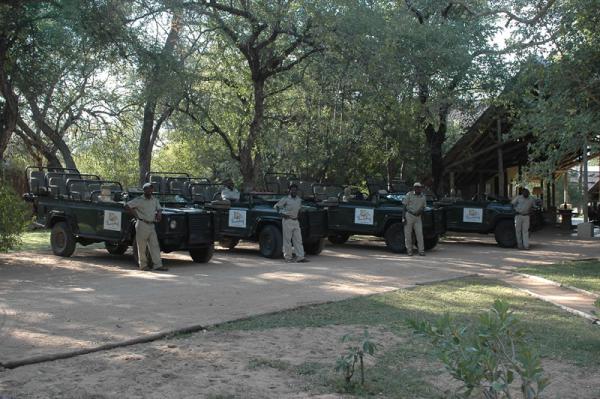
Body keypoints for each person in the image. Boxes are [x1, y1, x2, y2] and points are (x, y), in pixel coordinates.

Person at [125, 182, 167, 271]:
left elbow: (159, 208)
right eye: (148, 188)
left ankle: (158, 265)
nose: (150, 190)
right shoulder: (139, 200)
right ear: (144, 190)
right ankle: (143, 265)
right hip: (142, 224)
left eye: (151, 188)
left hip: (151, 224)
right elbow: (127, 205)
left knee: (155, 245)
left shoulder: (154, 200)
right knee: (142, 246)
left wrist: (159, 213)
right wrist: (136, 215)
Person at [274, 183, 309, 263]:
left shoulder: (299, 199)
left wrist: (298, 216)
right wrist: (282, 214)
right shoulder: (285, 199)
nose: (294, 191)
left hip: (296, 221)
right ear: (289, 191)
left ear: (297, 191)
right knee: (287, 240)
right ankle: (288, 258)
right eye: (292, 190)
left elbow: (299, 209)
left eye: (295, 190)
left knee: (298, 239)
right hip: (287, 221)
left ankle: (300, 257)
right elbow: (276, 206)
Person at [402, 182, 427, 256]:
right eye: (416, 187)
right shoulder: (409, 194)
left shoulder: (423, 196)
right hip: (409, 215)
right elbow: (404, 206)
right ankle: (409, 251)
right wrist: (403, 217)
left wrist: (420, 211)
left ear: (421, 188)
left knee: (419, 235)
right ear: (414, 188)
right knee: (408, 234)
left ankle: (421, 251)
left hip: (418, 217)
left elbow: (424, 207)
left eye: (419, 187)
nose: (418, 188)